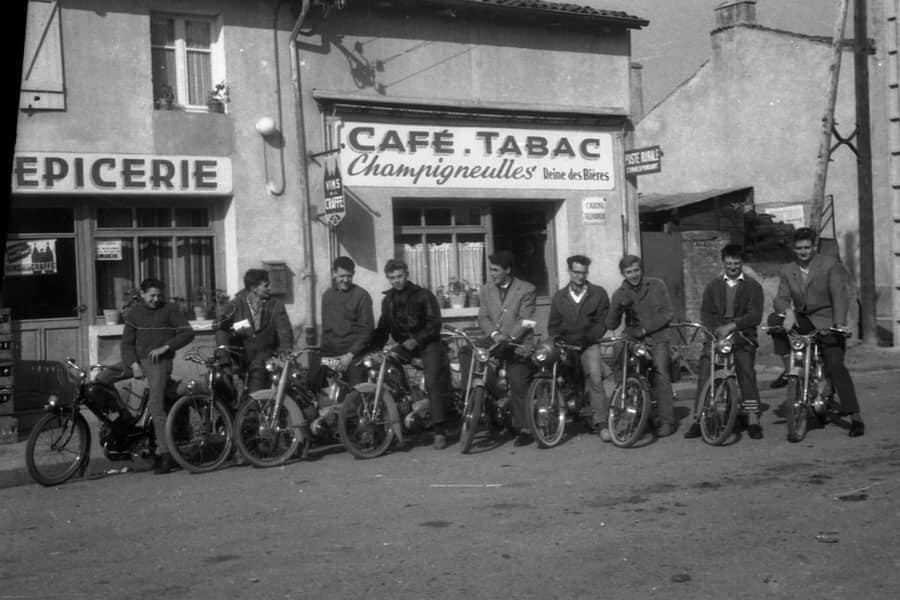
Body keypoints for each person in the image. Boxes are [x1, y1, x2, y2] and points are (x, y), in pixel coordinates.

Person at [766, 227, 864, 437]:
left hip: (828, 319)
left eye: (807, 247)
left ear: (814, 247)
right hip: (803, 319)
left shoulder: (830, 265)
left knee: (836, 366)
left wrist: (838, 324)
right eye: (799, 248)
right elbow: (781, 298)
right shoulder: (787, 269)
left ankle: (855, 417)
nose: (803, 252)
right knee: (775, 320)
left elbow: (839, 295)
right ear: (794, 249)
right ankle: (788, 368)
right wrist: (788, 311)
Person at [370, 258, 453, 450]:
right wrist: (373, 349)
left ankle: (439, 430)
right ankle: (403, 411)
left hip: (428, 343)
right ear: (388, 278)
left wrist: (416, 339)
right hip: (404, 346)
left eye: (399, 276)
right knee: (386, 368)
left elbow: (434, 324)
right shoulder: (388, 301)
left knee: (432, 381)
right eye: (392, 278)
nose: (396, 281)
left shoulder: (423, 295)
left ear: (406, 275)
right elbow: (382, 329)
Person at [684, 244, 764, 440]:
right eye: (729, 263)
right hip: (717, 334)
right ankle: (699, 417)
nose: (733, 267)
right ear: (724, 262)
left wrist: (733, 326)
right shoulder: (713, 286)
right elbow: (706, 313)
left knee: (745, 369)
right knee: (706, 369)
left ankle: (752, 417)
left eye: (736, 263)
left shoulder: (753, 286)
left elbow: (755, 315)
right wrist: (715, 331)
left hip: (742, 335)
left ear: (741, 263)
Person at [120, 278, 195, 474]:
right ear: (142, 294)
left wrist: (166, 347)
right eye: (151, 295)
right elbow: (126, 343)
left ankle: (165, 454)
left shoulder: (170, 310)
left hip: (158, 362)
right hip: (138, 361)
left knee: (156, 405)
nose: (155, 299)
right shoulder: (134, 313)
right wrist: (134, 364)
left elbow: (188, 333)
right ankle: (118, 428)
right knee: (102, 378)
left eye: (159, 295)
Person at [463, 250, 536, 446]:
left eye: (495, 270)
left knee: (518, 380)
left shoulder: (527, 289)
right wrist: (495, 335)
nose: (492, 273)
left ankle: (525, 428)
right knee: (467, 351)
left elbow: (528, 320)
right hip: (495, 339)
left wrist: (510, 336)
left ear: (508, 270)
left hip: (517, 342)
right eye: (491, 269)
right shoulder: (487, 289)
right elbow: (483, 317)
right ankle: (476, 397)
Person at [605, 255, 677, 437]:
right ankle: (628, 412)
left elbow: (667, 313)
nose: (633, 275)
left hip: (657, 336)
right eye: (629, 272)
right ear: (623, 273)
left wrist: (645, 328)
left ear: (641, 269)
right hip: (633, 337)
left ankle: (667, 420)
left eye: (636, 270)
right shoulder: (619, 293)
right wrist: (618, 308)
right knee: (621, 363)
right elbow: (611, 324)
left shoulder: (656, 285)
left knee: (661, 372)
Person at [547, 255, 611, 441]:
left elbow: (602, 321)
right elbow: (553, 324)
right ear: (569, 272)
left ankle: (601, 422)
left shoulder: (598, 293)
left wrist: (589, 337)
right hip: (566, 345)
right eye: (576, 272)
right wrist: (558, 340)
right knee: (559, 377)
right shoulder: (560, 296)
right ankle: (560, 415)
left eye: (583, 273)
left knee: (595, 378)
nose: (580, 276)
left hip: (588, 344)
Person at [216, 269, 293, 393]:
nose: (270, 288)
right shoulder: (235, 305)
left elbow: (284, 331)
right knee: (218, 379)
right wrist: (224, 357)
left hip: (266, 359)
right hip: (241, 359)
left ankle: (253, 409)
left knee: (258, 381)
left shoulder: (275, 305)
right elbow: (221, 329)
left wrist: (285, 351)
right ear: (254, 288)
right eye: (266, 285)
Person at [319, 256, 374, 386]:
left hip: (354, 354)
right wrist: (323, 355)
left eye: (349, 276)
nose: (345, 280)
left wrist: (350, 355)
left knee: (355, 391)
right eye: (341, 276)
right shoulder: (327, 296)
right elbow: (326, 329)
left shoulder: (361, 296)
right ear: (334, 274)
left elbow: (367, 330)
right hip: (332, 352)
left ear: (353, 274)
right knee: (311, 381)